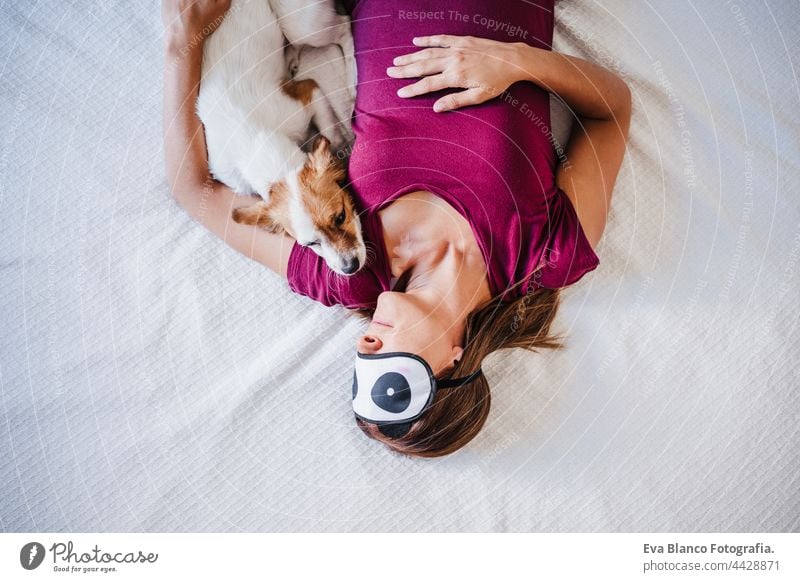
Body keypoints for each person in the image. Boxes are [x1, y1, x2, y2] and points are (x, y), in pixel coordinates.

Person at [161, 0, 631, 457]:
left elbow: (194, 191)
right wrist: (516, 61)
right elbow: (612, 110)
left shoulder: (347, 269)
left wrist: (182, 43)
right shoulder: (548, 255)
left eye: (359, 372)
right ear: (454, 360)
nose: (365, 346)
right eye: (391, 382)